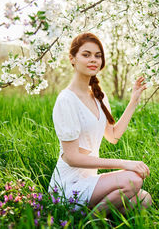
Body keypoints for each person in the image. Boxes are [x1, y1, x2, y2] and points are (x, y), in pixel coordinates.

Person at [48, 32, 151, 214]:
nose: (93, 60)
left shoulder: (98, 97)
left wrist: (134, 100)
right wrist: (124, 163)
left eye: (98, 55)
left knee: (144, 200)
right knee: (133, 180)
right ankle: (91, 221)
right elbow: (72, 158)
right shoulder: (66, 100)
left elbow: (113, 135)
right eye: (86, 55)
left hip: (90, 183)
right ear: (72, 59)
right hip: (67, 188)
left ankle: (95, 213)